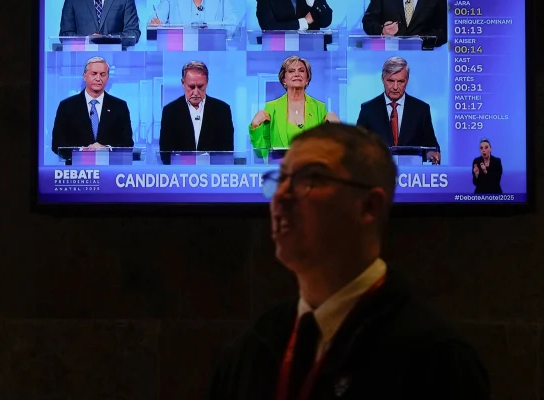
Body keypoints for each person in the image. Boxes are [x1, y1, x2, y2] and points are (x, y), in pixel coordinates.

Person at [208, 124, 489, 400]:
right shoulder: (251, 351)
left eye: (311, 179)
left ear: (369, 206)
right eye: (280, 179)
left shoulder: (435, 359)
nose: (281, 196)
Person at [249, 57, 339, 159]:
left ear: (307, 78)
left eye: (301, 70)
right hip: (281, 166)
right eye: (291, 71)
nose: (297, 74)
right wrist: (255, 125)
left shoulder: (319, 108)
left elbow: (329, 149)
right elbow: (262, 153)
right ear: (284, 79)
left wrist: (337, 128)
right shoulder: (271, 108)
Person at [356, 58, 440, 161]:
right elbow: (357, 145)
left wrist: (431, 154)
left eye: (400, 81)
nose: (395, 87)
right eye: (391, 81)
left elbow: (431, 145)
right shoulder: (368, 109)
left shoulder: (421, 109)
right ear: (383, 79)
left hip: (411, 170)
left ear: (407, 81)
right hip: (379, 168)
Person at [51, 57, 134, 163]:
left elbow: (128, 143)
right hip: (77, 170)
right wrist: (82, 151)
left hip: (109, 169)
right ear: (84, 76)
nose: (98, 78)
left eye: (102, 74)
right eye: (94, 74)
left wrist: (106, 149)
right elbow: (57, 144)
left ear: (107, 78)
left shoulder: (120, 106)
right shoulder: (67, 106)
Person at [159, 61, 235, 163]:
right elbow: (165, 153)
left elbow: (226, 152)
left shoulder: (222, 110)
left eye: (200, 86)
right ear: (183, 83)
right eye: (191, 87)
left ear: (207, 83)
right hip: (180, 172)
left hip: (212, 172)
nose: (195, 92)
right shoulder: (170, 111)